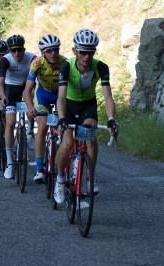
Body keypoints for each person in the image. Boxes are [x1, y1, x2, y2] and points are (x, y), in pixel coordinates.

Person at [53, 29, 119, 204]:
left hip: (88, 106)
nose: (87, 56)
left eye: (91, 52)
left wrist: (111, 119)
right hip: (69, 105)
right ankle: (60, 180)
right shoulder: (67, 66)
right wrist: (61, 119)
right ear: (75, 51)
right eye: (83, 52)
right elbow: (60, 97)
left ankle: (90, 178)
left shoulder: (101, 67)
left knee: (91, 137)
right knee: (67, 143)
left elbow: (108, 97)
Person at [23, 34, 67, 183]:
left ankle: (61, 158)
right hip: (43, 95)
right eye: (49, 51)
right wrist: (30, 108)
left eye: (55, 49)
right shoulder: (36, 64)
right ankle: (39, 169)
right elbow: (27, 90)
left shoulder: (65, 63)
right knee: (42, 127)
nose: (53, 53)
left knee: (62, 127)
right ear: (42, 53)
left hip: (60, 96)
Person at [0, 34, 37, 179]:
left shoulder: (33, 58)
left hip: (27, 87)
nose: (17, 53)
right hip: (10, 89)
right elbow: (0, 83)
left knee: (32, 103)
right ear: (9, 51)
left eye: (19, 50)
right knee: (10, 123)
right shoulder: (6, 60)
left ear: (24, 49)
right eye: (13, 50)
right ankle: (9, 162)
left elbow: (38, 83)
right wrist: (3, 98)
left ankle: (30, 131)